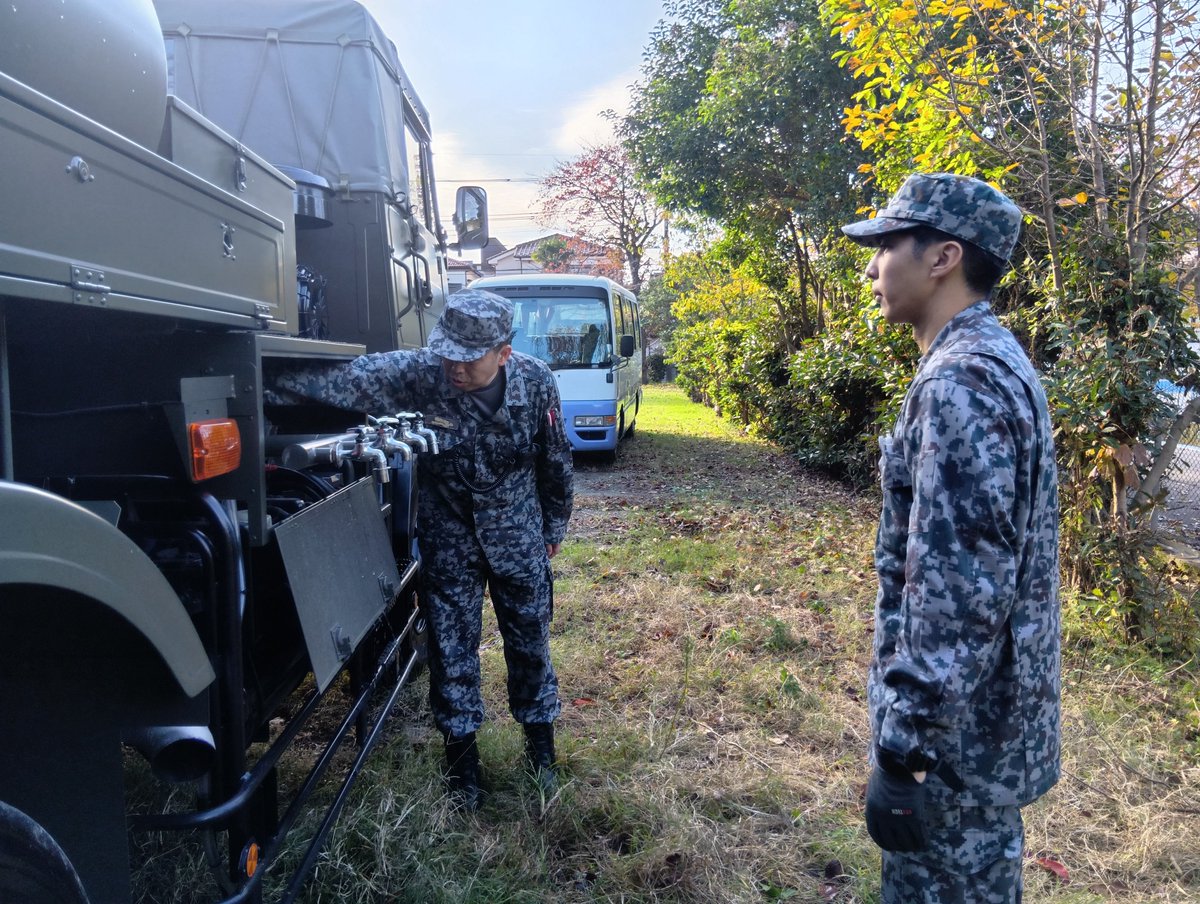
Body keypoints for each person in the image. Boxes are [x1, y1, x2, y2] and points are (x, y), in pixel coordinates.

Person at [267, 289, 574, 810]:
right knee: (452, 651)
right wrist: (257, 380)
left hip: (517, 535)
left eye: (467, 356)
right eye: (446, 351)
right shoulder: (422, 372)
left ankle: (541, 754)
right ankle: (462, 769)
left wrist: (552, 529)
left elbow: (554, 460)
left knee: (530, 644)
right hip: (450, 537)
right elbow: (343, 382)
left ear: (503, 353)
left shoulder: (537, 382)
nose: (453, 365)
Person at [841, 173, 1061, 901]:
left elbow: (959, 592)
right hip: (977, 737)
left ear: (943, 257)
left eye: (886, 246)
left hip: (951, 753)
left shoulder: (961, 382)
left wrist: (905, 750)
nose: (872, 267)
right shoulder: (990, 362)